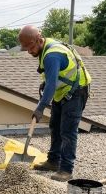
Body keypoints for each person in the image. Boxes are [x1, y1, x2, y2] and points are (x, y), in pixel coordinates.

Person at [18, 25, 92, 182]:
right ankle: (53, 161)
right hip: (63, 92)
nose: (29, 51)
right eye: (26, 48)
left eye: (30, 47)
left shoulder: (52, 55)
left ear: (39, 40)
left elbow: (52, 85)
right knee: (55, 125)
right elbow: (51, 79)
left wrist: (40, 108)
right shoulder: (45, 47)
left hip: (76, 91)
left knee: (67, 131)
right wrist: (44, 84)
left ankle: (66, 170)